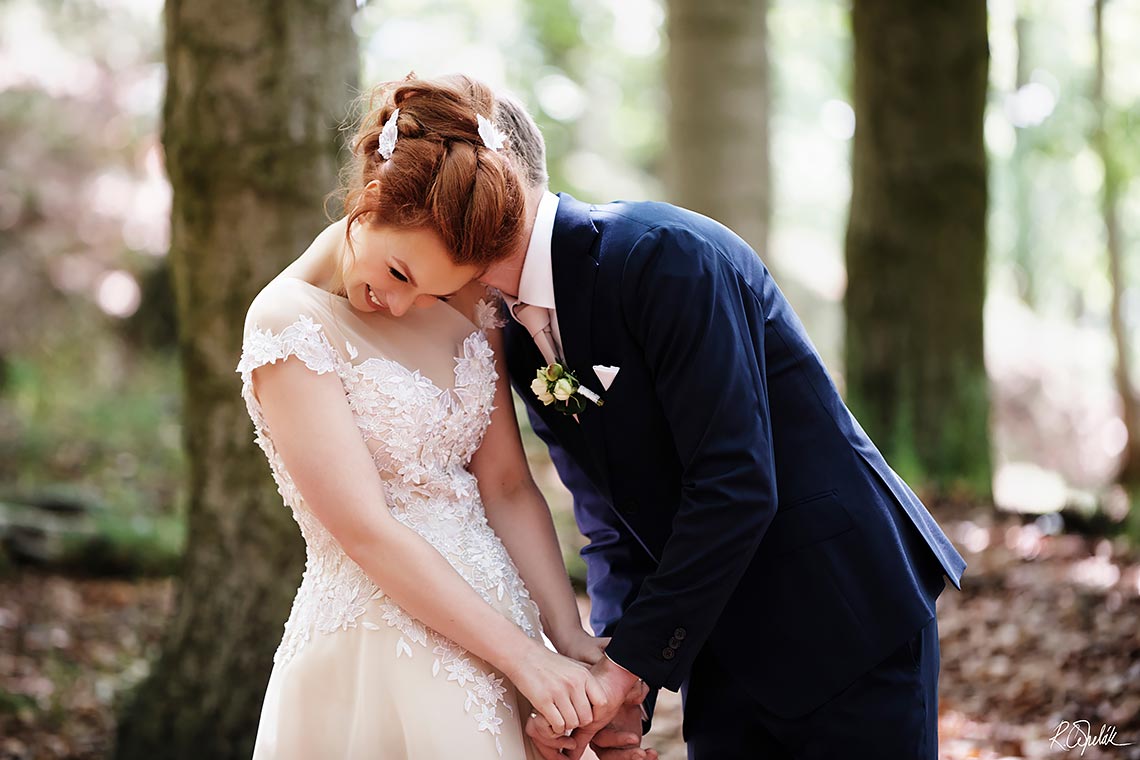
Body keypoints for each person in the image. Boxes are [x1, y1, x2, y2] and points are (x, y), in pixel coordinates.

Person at [467, 92, 968, 760]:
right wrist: (625, 686)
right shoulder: (521, 337)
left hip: (843, 617)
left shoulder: (661, 256)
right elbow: (612, 519)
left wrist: (628, 672)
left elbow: (735, 481)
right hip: (721, 648)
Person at [236, 75, 634, 759]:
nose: (400, 302)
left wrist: (566, 641)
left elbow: (506, 486)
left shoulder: (465, 303)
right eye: (396, 272)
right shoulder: (287, 327)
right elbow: (367, 530)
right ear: (370, 197)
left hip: (504, 629)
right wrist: (526, 661)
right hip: (380, 650)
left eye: (428, 288)